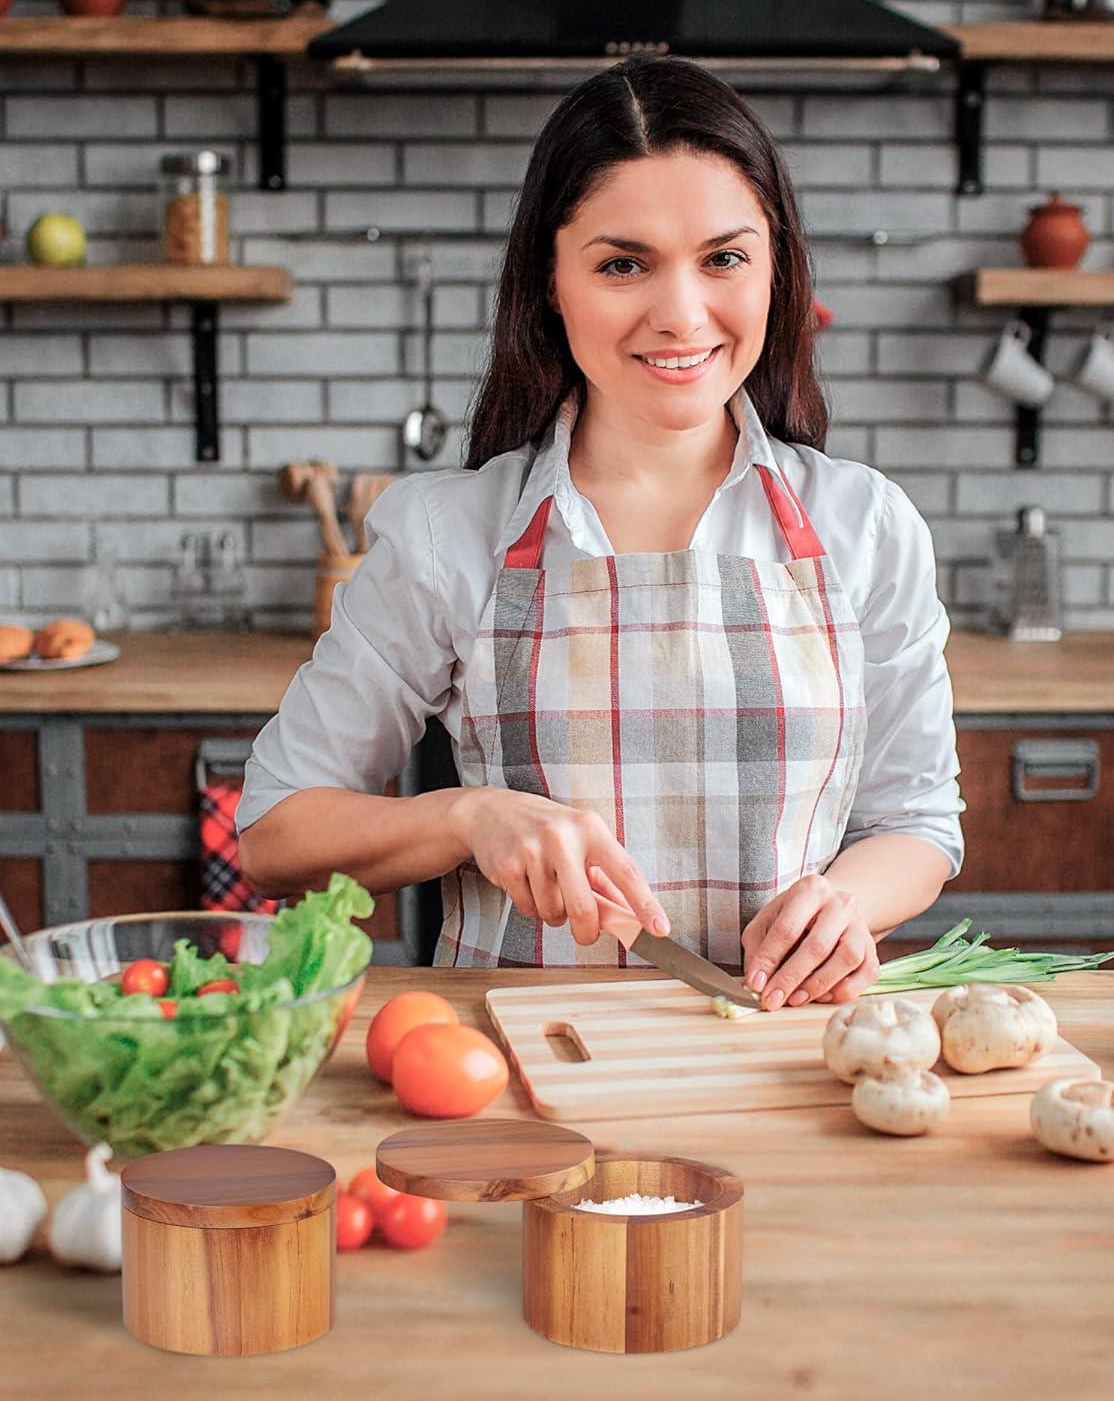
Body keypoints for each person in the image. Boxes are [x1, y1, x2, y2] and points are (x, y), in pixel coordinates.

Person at [237, 54, 963, 1011]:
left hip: (784, 1062)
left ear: (775, 268)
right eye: (624, 264)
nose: (681, 313)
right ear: (551, 279)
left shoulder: (863, 524)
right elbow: (275, 835)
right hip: (516, 1072)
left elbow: (917, 822)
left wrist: (846, 903)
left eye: (724, 258)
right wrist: (470, 817)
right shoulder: (449, 535)